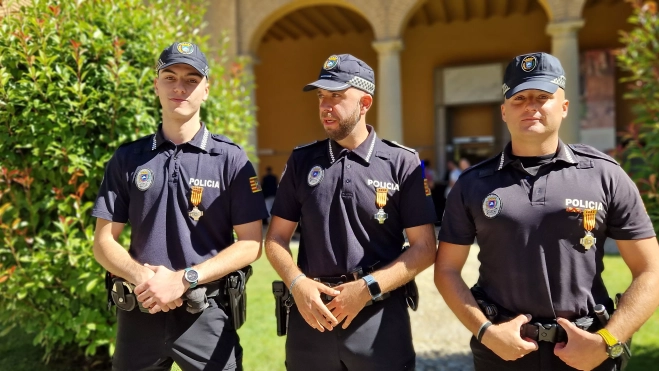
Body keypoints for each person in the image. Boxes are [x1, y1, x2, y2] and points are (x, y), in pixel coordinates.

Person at [434, 51, 659, 371]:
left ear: (564, 107)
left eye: (543, 96)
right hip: (502, 354)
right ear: (504, 111)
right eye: (519, 98)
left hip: (587, 351)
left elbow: (651, 270)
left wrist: (607, 341)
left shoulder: (604, 175)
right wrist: (486, 332)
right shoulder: (473, 184)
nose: (531, 106)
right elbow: (446, 270)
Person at [91, 41, 268, 371]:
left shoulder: (230, 159)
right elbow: (103, 242)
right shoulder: (128, 158)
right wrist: (144, 277)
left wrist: (185, 279)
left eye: (191, 79)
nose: (180, 87)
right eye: (170, 77)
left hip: (205, 313)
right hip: (139, 312)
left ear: (206, 90)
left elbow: (250, 244)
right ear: (156, 85)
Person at [265, 54, 437, 371]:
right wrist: (297, 284)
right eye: (321, 96)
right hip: (311, 320)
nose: (325, 106)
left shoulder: (402, 163)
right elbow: (275, 239)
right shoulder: (302, 161)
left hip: (378, 321)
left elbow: (425, 248)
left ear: (365, 102)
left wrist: (366, 288)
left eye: (337, 96)